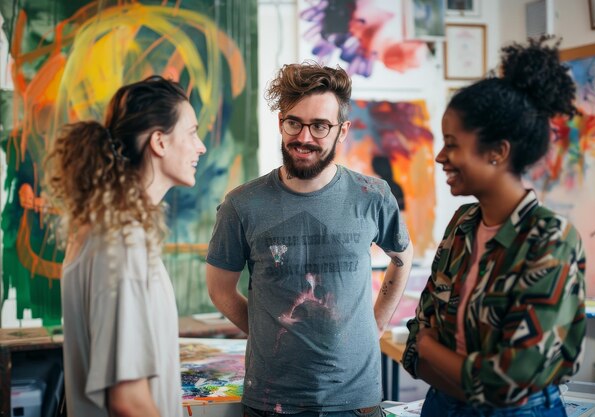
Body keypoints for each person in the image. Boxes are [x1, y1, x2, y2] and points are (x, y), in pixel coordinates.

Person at [205, 62, 414, 416]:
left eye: (319, 126)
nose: (304, 137)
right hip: (272, 400)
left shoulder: (373, 195)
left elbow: (401, 258)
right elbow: (220, 289)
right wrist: (268, 330)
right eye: (294, 123)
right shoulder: (241, 205)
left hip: (357, 400)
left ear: (342, 130)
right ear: (280, 123)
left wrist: (375, 323)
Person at [401, 36, 586, 416]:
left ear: (498, 152)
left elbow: (508, 384)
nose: (440, 157)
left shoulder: (550, 239)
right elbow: (417, 338)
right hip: (440, 406)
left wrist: (433, 350)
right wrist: (434, 356)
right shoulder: (463, 223)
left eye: (452, 144)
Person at [45, 75, 206, 417]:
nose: (201, 146)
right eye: (192, 133)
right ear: (159, 142)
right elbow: (128, 400)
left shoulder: (106, 229)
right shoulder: (122, 239)